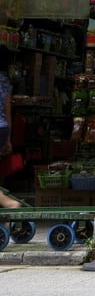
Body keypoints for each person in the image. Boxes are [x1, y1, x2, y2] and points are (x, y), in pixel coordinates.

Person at [0, 51, 21, 209]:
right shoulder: (5, 81)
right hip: (2, 128)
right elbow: (8, 111)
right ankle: (5, 223)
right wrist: (8, 139)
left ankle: (9, 203)